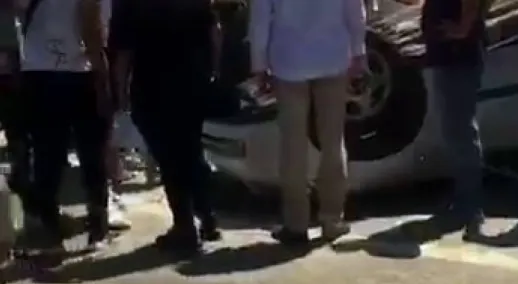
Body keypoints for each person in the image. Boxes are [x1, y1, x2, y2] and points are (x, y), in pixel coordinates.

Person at [249, 0, 366, 245]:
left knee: (293, 146)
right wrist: (358, 51)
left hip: (288, 60)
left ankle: (296, 223)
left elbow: (260, 20)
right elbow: (355, 11)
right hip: (333, 57)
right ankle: (332, 219)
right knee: (333, 141)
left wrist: (259, 64)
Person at [111, 0, 222, 256]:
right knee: (191, 148)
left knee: (169, 157)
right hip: (192, 80)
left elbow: (124, 51)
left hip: (152, 86)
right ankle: (206, 215)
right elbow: (214, 30)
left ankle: (185, 225)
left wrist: (121, 91)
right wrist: (213, 71)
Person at [21, 0, 113, 249]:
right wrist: (102, 74)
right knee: (92, 150)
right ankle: (98, 223)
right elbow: (90, 26)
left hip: (37, 71)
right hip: (78, 72)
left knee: (47, 152)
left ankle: (48, 224)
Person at [412, 0, 490, 240]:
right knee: (454, 130)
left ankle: (470, 204)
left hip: (457, 53)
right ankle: (463, 198)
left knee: (461, 130)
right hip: (448, 52)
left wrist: (463, 27)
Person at [0, 3, 29, 204]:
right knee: (17, 128)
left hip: (13, 62)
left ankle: (21, 175)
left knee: (17, 128)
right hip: (11, 61)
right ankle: (21, 175)